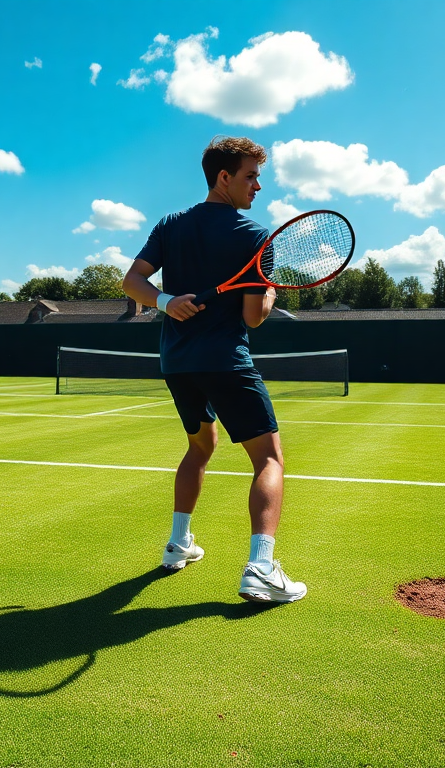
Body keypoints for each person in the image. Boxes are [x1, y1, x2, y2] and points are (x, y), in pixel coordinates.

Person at [121, 136, 305, 604]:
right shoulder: (255, 236)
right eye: (250, 176)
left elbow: (132, 282)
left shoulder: (171, 224)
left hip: (178, 363)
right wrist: (269, 294)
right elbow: (252, 318)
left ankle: (179, 542)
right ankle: (261, 568)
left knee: (201, 446)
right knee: (269, 459)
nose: (258, 186)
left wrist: (164, 302)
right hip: (225, 361)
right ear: (223, 177)